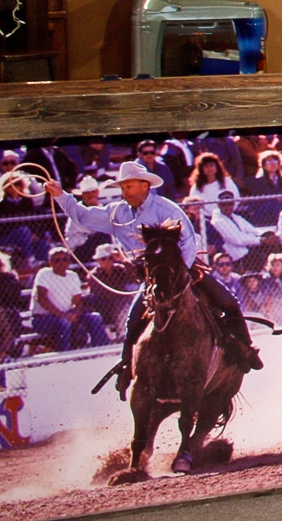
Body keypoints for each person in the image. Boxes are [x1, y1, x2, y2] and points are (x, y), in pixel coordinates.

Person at [50, 160, 262, 393]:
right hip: (151, 278)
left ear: (145, 185)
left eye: (129, 186)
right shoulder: (117, 213)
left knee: (229, 302)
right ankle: (127, 366)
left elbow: (188, 243)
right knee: (133, 322)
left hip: (183, 270)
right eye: (123, 187)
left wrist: (180, 275)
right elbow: (83, 216)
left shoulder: (166, 209)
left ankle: (246, 349)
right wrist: (60, 195)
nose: (125, 192)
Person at [30, 248, 108, 351]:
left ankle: (102, 350)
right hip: (43, 318)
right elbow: (41, 299)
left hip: (67, 314)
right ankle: (65, 355)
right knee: (63, 323)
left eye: (65, 259)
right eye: (57, 260)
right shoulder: (44, 274)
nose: (61, 263)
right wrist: (63, 315)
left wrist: (75, 313)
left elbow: (77, 301)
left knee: (95, 318)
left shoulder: (73, 275)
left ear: (69, 261)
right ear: (50, 262)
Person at [60, 176, 112, 262]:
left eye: (93, 192)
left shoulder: (101, 207)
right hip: (79, 248)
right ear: (83, 195)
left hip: (94, 243)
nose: (91, 195)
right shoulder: (77, 210)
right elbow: (93, 228)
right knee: (103, 235)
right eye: (87, 193)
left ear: (97, 192)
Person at [241, 149, 282, 227]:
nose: (273, 163)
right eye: (269, 161)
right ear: (264, 165)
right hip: (264, 215)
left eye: (275, 160)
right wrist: (275, 199)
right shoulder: (257, 182)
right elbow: (256, 203)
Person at [206, 190, 260, 261]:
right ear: (218, 205)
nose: (227, 207)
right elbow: (238, 240)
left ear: (234, 204)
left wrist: (265, 236)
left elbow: (253, 230)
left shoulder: (236, 217)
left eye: (230, 204)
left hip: (247, 250)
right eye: (224, 204)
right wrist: (260, 240)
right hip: (237, 257)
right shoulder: (217, 221)